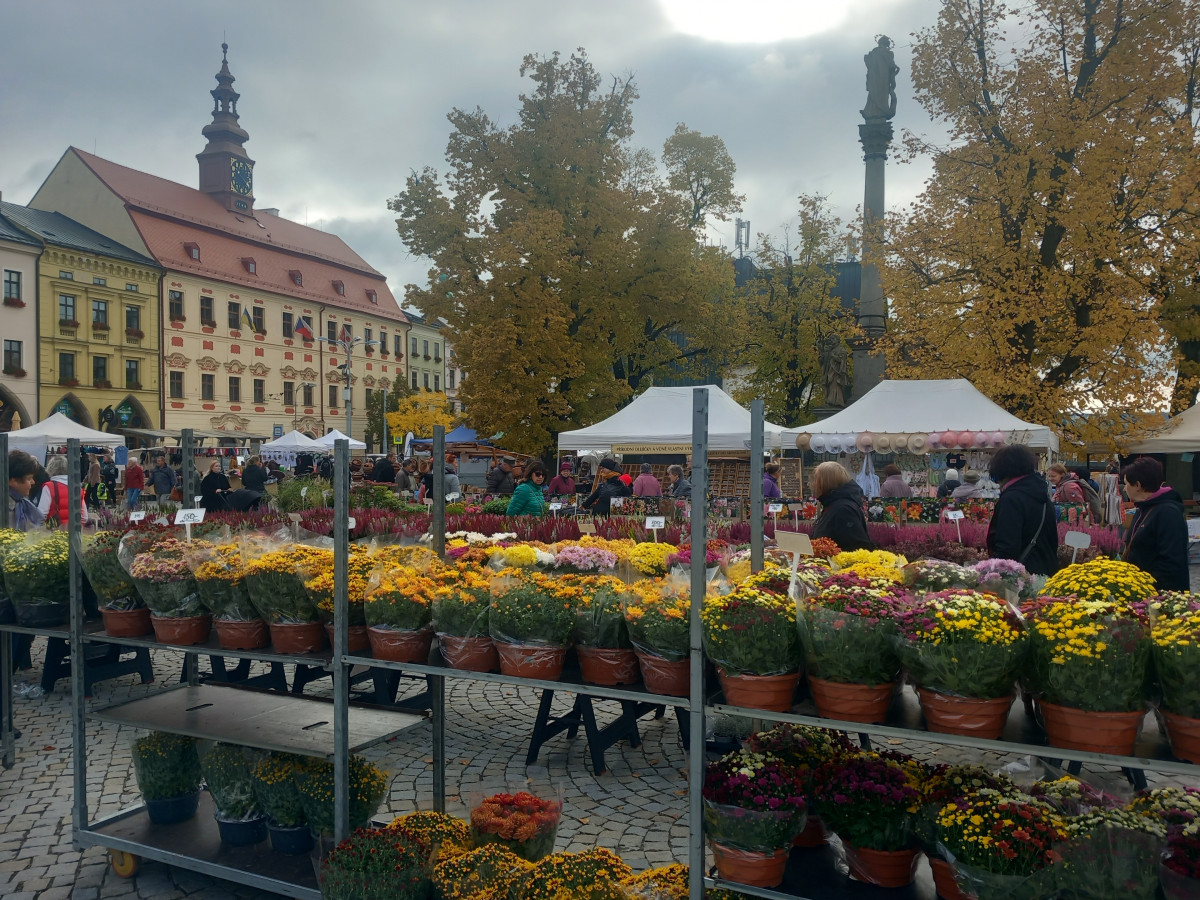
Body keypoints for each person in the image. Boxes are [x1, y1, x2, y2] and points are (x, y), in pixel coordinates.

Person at [985, 445, 1058, 576]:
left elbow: (1007, 545)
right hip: (1046, 571)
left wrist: (996, 573)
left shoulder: (1012, 498)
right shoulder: (1041, 495)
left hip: (1021, 578)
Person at [1121, 457, 1189, 591]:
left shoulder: (1167, 512)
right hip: (1142, 590)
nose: (1124, 489)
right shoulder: (1143, 508)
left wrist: (1146, 588)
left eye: (1126, 484)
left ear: (1138, 485)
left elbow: (1171, 561)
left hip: (1159, 594)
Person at [810, 460, 873, 551]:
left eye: (816, 480)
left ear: (826, 483)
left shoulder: (843, 509)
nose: (813, 484)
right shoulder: (833, 504)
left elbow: (858, 547)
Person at [38, 455, 89, 525]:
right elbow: (84, 517)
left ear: (50, 469)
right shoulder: (77, 488)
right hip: (75, 532)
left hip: (55, 532)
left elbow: (41, 514)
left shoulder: (49, 486)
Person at [7, 449, 44, 531]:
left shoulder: (23, 504)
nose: (33, 482)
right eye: (29, 478)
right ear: (13, 481)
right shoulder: (6, 509)